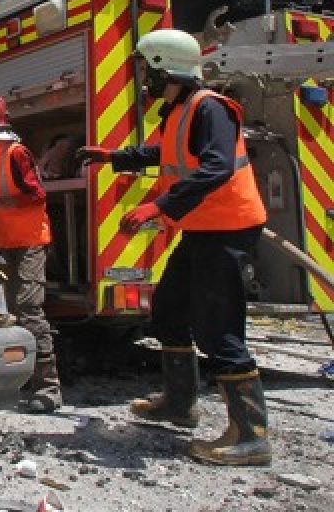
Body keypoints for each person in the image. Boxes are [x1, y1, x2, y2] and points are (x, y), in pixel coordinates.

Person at [78, 29, 270, 466]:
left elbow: (217, 167)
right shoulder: (178, 110)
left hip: (227, 230)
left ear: (168, 66)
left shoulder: (210, 109)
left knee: (218, 330)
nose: (143, 77)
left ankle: (252, 437)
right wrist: (115, 157)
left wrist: (158, 207)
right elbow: (164, 155)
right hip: (203, 229)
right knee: (167, 310)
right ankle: (180, 404)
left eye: (148, 68)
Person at [0, 90, 62, 412]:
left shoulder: (15, 153)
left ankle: (48, 387)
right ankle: (9, 382)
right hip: (1, 243)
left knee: (29, 309)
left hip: (28, 241)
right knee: (0, 311)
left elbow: (36, 194)